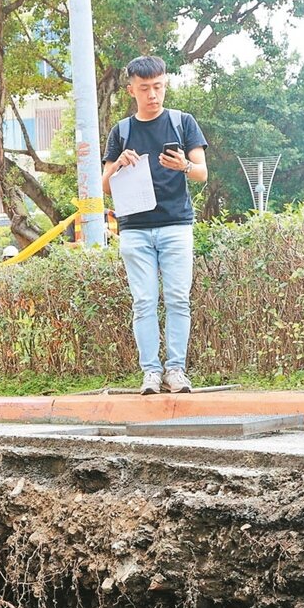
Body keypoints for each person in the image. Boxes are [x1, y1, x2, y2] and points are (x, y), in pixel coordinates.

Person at [101, 55, 208, 395]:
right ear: (131, 88)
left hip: (176, 224)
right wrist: (119, 163)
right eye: (145, 88)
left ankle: (176, 370)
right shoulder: (122, 130)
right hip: (134, 228)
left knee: (178, 298)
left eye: (158, 87)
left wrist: (184, 167)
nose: (153, 95)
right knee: (144, 301)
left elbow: (203, 173)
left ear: (165, 84)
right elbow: (104, 185)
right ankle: (151, 371)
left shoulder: (182, 122)